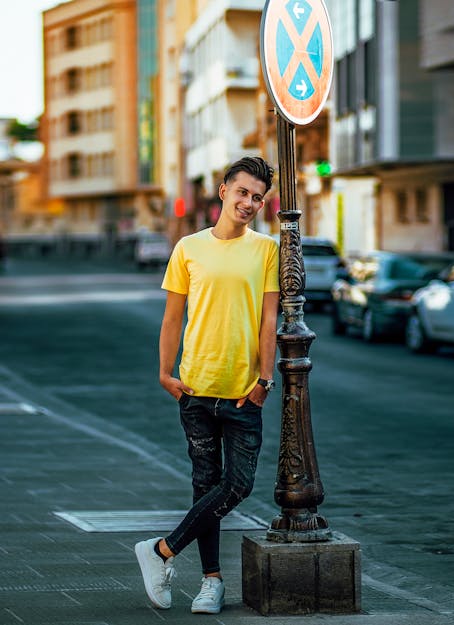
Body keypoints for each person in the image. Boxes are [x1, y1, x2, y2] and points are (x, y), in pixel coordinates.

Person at [134, 156, 279, 615]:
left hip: (242, 392)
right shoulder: (188, 248)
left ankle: (161, 550)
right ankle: (211, 582)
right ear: (223, 191)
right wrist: (164, 373)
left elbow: (269, 318)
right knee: (205, 487)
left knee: (237, 484)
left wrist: (264, 379)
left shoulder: (267, 250)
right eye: (243, 192)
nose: (250, 203)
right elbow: (173, 316)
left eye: (258, 197)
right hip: (195, 388)